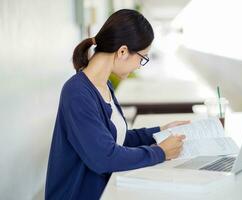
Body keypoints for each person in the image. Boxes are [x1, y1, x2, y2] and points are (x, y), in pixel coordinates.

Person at [45, 9, 188, 199]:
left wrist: (160, 131)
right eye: (142, 58)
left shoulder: (104, 85)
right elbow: (105, 157)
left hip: (106, 189)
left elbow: (114, 139)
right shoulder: (77, 92)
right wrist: (160, 152)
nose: (139, 65)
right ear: (122, 51)